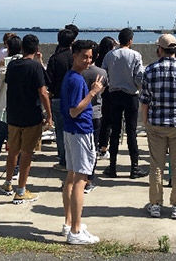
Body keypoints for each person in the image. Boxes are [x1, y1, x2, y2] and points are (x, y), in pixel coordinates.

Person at [141, 34, 176, 220]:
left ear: (160, 49)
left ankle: (156, 204)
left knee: (156, 165)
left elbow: (145, 100)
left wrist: (146, 121)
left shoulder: (150, 70)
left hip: (156, 123)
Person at [1, 34, 53, 204]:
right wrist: (49, 114)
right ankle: (21, 190)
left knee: (13, 151)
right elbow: (43, 92)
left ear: (22, 48)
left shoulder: (13, 65)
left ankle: (8, 183)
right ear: (37, 49)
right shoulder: (36, 67)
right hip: (31, 116)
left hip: (13, 115)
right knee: (27, 154)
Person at [61, 40, 104, 244]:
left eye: (90, 56)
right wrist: (93, 92)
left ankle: (70, 223)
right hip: (80, 131)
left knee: (71, 177)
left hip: (70, 131)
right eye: (84, 56)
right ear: (74, 56)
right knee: (81, 179)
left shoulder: (70, 77)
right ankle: (76, 231)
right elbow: (75, 109)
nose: (88, 60)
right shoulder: (77, 80)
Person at [101, 27, 147, 178]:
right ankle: (134, 167)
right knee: (131, 131)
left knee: (115, 131)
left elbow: (104, 74)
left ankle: (112, 166)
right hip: (130, 95)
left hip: (114, 94)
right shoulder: (135, 55)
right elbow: (139, 77)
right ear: (130, 40)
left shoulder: (109, 55)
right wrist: (137, 88)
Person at [0, 35, 23, 178]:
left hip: (3, 108)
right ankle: (15, 169)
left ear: (8, 48)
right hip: (19, 108)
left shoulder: (4, 64)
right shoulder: (26, 63)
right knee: (17, 141)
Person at [46, 28, 76, 172]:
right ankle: (73, 159)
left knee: (60, 130)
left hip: (58, 97)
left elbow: (49, 80)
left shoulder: (54, 58)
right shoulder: (74, 57)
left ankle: (63, 160)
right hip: (74, 99)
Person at [81, 41, 108, 193]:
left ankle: (80, 178)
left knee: (81, 149)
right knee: (93, 148)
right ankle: (89, 179)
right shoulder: (102, 73)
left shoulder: (78, 72)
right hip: (95, 112)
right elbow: (102, 90)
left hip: (80, 113)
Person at [95, 36, 118, 159]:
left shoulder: (97, 59)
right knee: (107, 122)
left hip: (97, 93)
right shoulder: (111, 59)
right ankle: (103, 148)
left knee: (98, 120)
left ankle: (96, 145)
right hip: (109, 93)